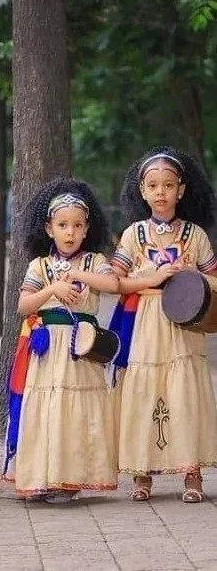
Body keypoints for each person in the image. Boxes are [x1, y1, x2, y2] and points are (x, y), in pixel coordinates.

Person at [109, 146, 217, 503]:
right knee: (143, 392)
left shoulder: (196, 236)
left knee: (185, 394)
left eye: (168, 185)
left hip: (185, 326)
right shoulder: (132, 235)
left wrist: (192, 279)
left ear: (181, 190)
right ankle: (142, 474)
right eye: (152, 185)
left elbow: (213, 278)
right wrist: (151, 277)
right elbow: (116, 282)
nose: (160, 192)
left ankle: (192, 473)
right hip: (146, 323)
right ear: (141, 190)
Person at [3, 178, 119, 503]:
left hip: (81, 349)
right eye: (63, 225)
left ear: (86, 229)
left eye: (77, 225)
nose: (70, 232)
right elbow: (23, 305)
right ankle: (42, 475)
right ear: (49, 228)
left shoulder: (93, 262)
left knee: (78, 411)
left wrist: (79, 275)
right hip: (46, 349)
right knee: (46, 408)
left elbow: (112, 285)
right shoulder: (39, 266)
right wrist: (52, 290)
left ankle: (71, 477)